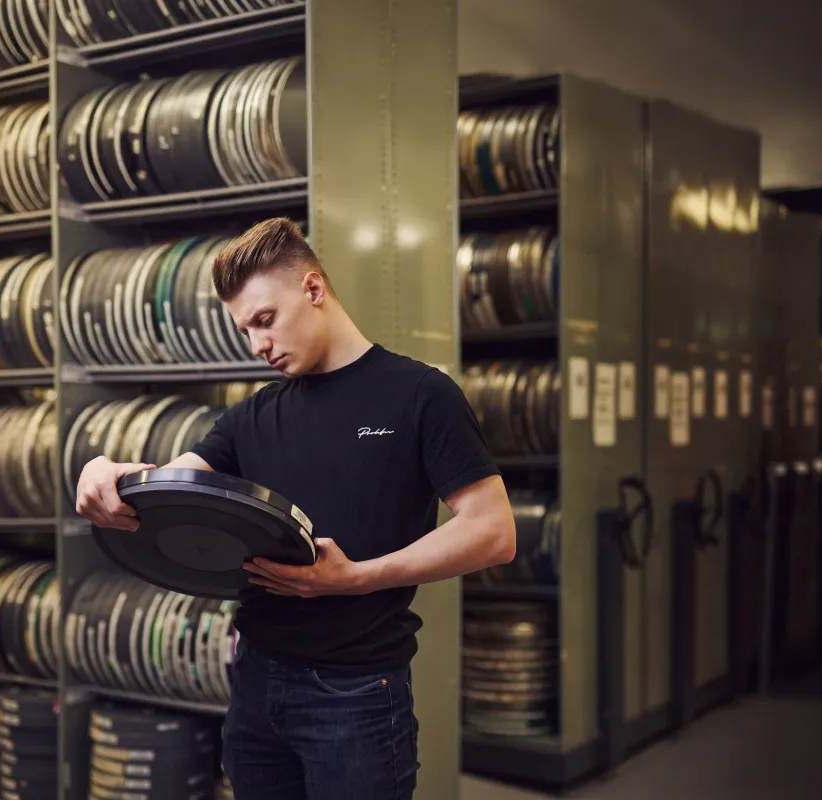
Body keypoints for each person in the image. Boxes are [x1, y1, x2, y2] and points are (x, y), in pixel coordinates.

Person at [74, 217, 517, 800]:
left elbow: (493, 532)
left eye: (265, 320)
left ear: (313, 290)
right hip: (257, 683)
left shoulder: (419, 395)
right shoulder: (253, 415)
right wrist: (106, 473)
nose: (258, 345)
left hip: (356, 694)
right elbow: (172, 486)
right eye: (245, 331)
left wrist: (354, 579)